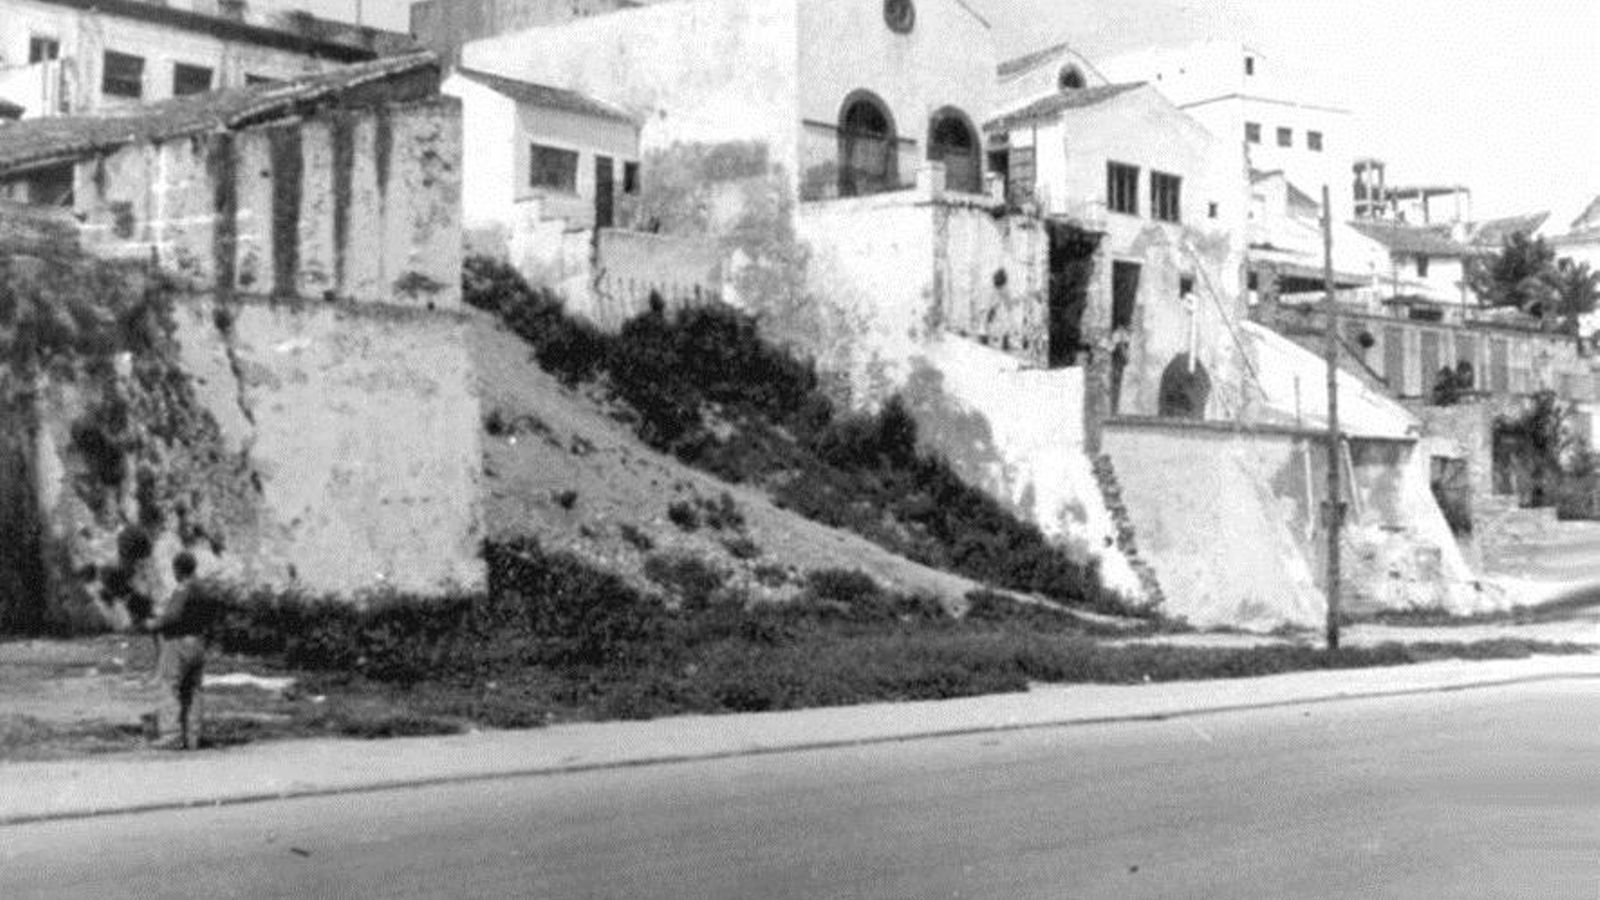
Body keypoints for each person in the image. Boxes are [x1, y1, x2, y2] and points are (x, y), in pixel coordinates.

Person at [141, 552, 214, 750]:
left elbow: (173, 616)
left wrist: (154, 623)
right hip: (199, 642)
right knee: (193, 690)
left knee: (170, 686)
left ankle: (171, 734)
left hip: (180, 642)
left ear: (178, 570)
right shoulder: (204, 590)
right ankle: (193, 736)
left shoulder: (183, 589)